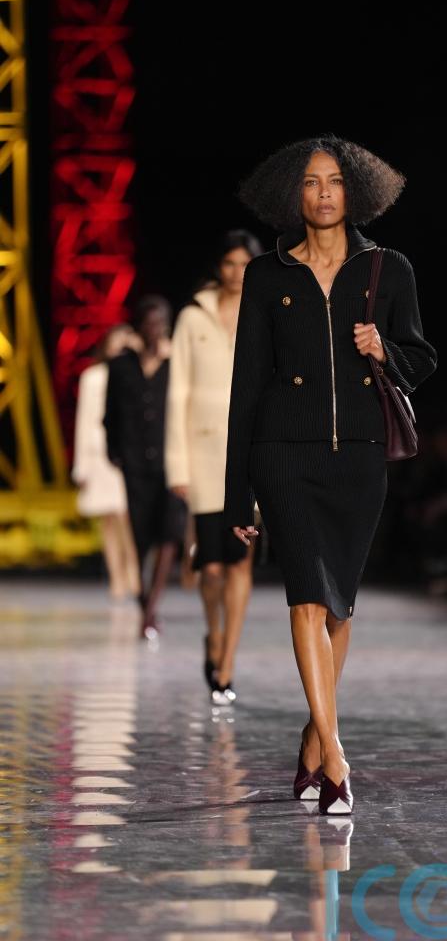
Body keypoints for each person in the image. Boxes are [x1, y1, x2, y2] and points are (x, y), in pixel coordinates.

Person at [223, 135, 438, 814]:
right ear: (293, 192)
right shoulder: (268, 275)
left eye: (335, 181)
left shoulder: (387, 269)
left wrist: (384, 349)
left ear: (356, 190)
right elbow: (246, 385)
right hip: (283, 455)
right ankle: (337, 759)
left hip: (359, 458)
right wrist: (236, 492)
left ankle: (313, 739)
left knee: (340, 606)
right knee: (307, 599)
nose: (323, 194)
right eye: (311, 182)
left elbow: (422, 358)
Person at [165, 229, 264, 706]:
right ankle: (214, 633)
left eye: (245, 264)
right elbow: (177, 389)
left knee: (240, 562)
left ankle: (227, 662)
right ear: (217, 267)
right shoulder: (192, 317)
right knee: (210, 569)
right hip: (203, 456)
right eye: (229, 263)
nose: (236, 272)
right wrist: (177, 465)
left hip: (250, 456)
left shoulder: (266, 312)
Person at [104, 295, 187, 639]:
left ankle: (150, 610)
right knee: (139, 538)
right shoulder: (121, 366)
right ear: (139, 326)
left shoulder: (177, 363)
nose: (155, 329)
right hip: (135, 463)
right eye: (149, 323)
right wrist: (115, 453)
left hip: (172, 461)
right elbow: (110, 413)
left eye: (160, 323)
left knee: (170, 533)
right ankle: (144, 603)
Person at [72, 324, 140, 600]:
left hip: (127, 453)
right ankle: (116, 577)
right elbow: (84, 420)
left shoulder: (136, 373)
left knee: (128, 517)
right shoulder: (93, 377)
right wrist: (81, 465)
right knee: (108, 519)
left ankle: (134, 573)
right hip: (99, 453)